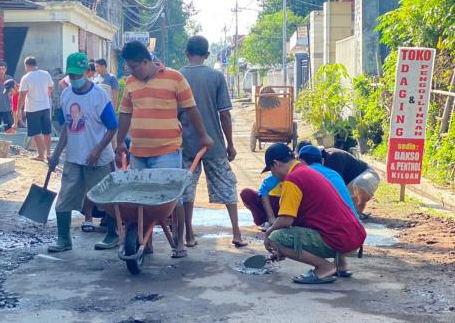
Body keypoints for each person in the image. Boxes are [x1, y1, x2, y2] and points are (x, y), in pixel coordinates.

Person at [115, 41, 214, 259]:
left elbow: (190, 109)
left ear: (145, 61)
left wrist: (203, 136)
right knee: (141, 199)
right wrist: (120, 141)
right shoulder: (130, 82)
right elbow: (124, 114)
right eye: (129, 68)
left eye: (135, 67)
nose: (132, 72)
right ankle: (145, 242)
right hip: (138, 152)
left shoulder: (174, 78)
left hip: (167, 150)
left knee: (171, 199)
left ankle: (178, 242)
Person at [261, 143, 366, 284]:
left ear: (276, 164)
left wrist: (269, 234)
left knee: (276, 237)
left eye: (272, 171)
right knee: (303, 229)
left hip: (340, 238)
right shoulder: (306, 171)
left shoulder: (293, 179)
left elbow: (286, 220)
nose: (274, 175)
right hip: (353, 234)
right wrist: (284, 249)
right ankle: (341, 265)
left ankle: (324, 267)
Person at [47, 52, 118, 253]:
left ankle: (112, 234)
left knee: (106, 198)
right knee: (65, 199)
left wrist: (97, 149)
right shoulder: (66, 95)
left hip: (99, 159)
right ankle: (64, 239)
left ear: (88, 72)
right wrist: (56, 154)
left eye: (79, 75)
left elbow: (112, 127)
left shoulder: (99, 95)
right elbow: (66, 129)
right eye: (72, 75)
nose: (75, 79)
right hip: (74, 158)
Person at [179, 36, 246, 248]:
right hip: (214, 143)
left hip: (186, 145)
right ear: (207, 55)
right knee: (227, 186)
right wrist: (230, 144)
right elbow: (224, 115)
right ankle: (237, 233)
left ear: (186, 53)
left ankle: (189, 235)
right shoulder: (216, 77)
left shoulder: (177, 77)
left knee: (186, 190)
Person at [298, 145, 360, 220]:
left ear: (301, 162)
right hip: (356, 224)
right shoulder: (334, 173)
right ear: (322, 161)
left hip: (336, 227)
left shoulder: (306, 174)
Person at [322, 147, 380, 219]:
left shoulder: (333, 156)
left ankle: (359, 212)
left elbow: (336, 184)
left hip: (366, 173)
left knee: (360, 183)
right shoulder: (316, 162)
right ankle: (354, 211)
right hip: (349, 185)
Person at [15, 56, 54, 162]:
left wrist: (18, 110)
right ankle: (49, 154)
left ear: (26, 66)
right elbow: (51, 87)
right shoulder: (45, 74)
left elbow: (22, 95)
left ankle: (41, 155)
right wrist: (46, 95)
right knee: (47, 132)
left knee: (36, 132)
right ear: (36, 64)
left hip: (32, 108)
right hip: (45, 106)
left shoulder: (26, 77)